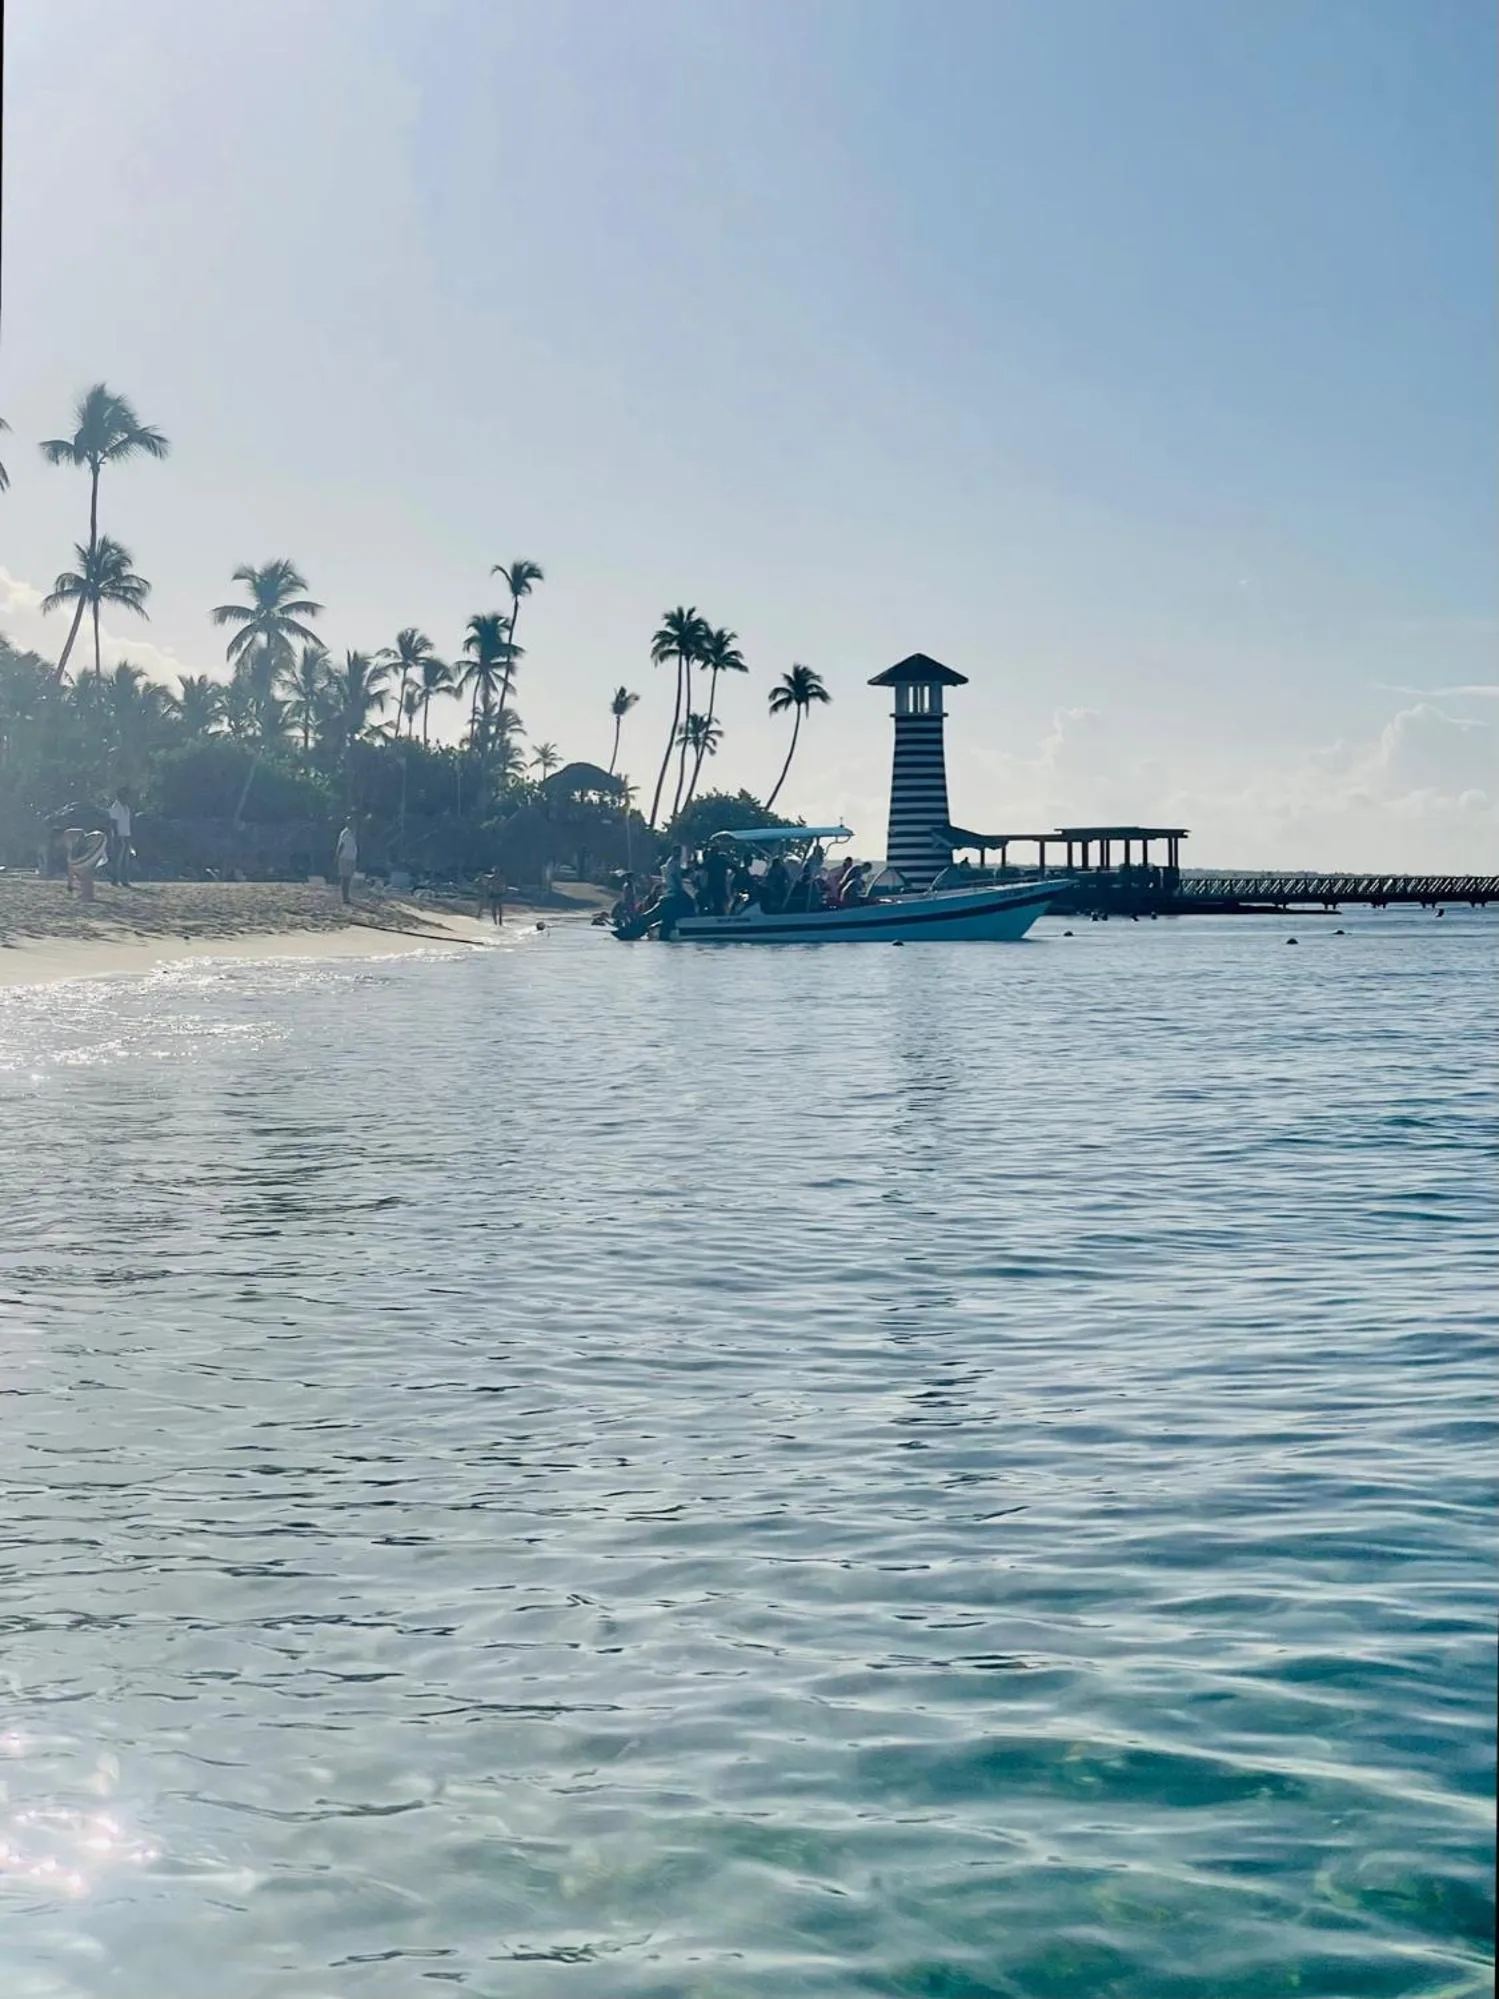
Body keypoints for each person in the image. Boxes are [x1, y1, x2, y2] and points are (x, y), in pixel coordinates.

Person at [107, 789, 133, 886]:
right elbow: (113, 823)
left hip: (126, 835)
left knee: (125, 860)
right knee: (117, 859)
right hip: (119, 836)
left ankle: (124, 880)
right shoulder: (115, 807)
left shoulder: (126, 807)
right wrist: (117, 836)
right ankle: (115, 879)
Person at [335, 818, 359, 905]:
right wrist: (337, 856)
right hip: (345, 857)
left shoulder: (352, 833)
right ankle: (344, 897)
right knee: (345, 878)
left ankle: (346, 896)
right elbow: (341, 845)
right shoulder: (346, 832)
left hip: (351, 858)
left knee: (348, 878)